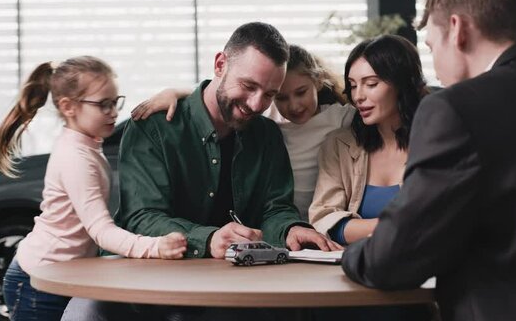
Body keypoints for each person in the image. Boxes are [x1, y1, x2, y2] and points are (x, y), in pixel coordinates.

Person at [63, 22, 340, 320]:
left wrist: (290, 229)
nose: (257, 104)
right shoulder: (153, 127)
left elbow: (275, 208)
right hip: (147, 283)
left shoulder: (267, 134)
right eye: (248, 86)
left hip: (233, 289)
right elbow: (141, 217)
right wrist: (208, 239)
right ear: (220, 64)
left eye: (270, 94)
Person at [341, 0, 516, 321]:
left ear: (457, 30)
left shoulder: (453, 109)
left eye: (430, 45)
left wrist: (351, 254)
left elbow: (392, 258)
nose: (434, 65)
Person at [0, 56, 187, 320]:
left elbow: (212, 95)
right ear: (68, 107)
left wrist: (174, 92)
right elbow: (100, 231)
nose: (113, 112)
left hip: (57, 276)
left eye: (115, 102)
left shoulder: (87, 144)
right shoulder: (76, 157)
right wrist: (156, 247)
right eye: (103, 105)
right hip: (36, 282)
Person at [131, 44, 356, 221]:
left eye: (301, 92)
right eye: (281, 97)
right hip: (280, 223)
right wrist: (176, 92)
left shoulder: (341, 117)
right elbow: (220, 97)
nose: (294, 105)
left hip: (322, 219)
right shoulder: (269, 120)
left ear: (317, 81)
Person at [310, 35, 431, 321]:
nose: (358, 96)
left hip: (417, 283)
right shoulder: (338, 145)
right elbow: (325, 219)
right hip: (351, 278)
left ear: (402, 83)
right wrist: (390, 228)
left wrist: (366, 229)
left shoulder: (434, 141)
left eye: (371, 84)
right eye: (352, 86)